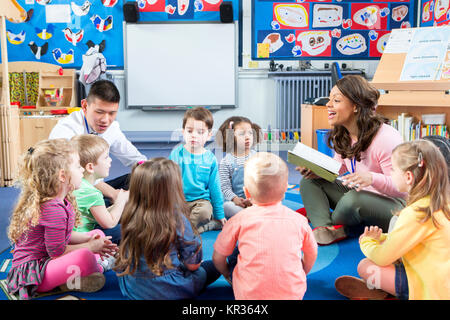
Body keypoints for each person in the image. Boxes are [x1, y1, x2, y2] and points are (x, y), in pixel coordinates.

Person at [297, 75, 406, 245]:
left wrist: (371, 178)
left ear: (355, 106)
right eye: (330, 99)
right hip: (360, 194)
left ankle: (342, 226)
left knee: (352, 200)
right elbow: (339, 169)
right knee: (309, 182)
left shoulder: (386, 138)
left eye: (336, 100)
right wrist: (317, 171)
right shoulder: (345, 133)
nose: (328, 104)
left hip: (394, 206)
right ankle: (325, 229)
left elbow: (403, 189)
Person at [335, 140, 450, 300]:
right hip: (443, 281)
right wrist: (382, 237)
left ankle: (383, 292)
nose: (390, 174)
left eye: (393, 170)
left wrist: (367, 242)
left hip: (427, 288)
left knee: (366, 266)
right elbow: (416, 239)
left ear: (408, 176)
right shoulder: (440, 203)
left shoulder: (415, 213)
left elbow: (382, 257)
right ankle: (380, 289)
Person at [6, 139, 118, 300]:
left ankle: (75, 277)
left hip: (47, 261)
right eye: (78, 166)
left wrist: (88, 238)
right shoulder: (53, 209)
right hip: (34, 274)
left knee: (97, 233)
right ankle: (98, 266)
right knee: (84, 255)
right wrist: (90, 247)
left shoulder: (61, 200)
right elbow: (57, 252)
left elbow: (64, 237)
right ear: (63, 175)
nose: (81, 171)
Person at [213, 152, 317, 299]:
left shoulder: (238, 220)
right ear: (286, 188)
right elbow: (312, 252)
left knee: (236, 251)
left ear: (246, 191)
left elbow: (218, 258)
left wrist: (228, 275)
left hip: (248, 295)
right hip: (293, 294)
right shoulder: (299, 220)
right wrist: (302, 272)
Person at [114, 158, 221, 299]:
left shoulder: (129, 213)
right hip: (169, 289)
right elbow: (192, 265)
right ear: (172, 188)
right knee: (214, 265)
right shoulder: (177, 218)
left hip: (133, 289)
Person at [49, 79, 146, 205]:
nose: (106, 120)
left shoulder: (112, 128)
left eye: (112, 113)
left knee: (141, 178)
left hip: (96, 187)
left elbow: (135, 159)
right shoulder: (66, 131)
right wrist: (113, 194)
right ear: (84, 106)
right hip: (72, 192)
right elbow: (69, 177)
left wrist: (153, 171)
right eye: (99, 112)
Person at [169, 107, 225, 233]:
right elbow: (168, 182)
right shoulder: (176, 154)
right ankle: (202, 228)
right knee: (165, 215)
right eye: (190, 131)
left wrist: (220, 215)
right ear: (183, 132)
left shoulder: (210, 159)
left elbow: (215, 188)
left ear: (209, 135)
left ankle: (181, 231)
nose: (194, 135)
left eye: (200, 132)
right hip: (178, 201)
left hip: (200, 202)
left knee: (204, 212)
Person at [71, 134, 129, 245]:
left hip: (76, 234)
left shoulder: (81, 185)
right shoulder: (91, 193)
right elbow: (109, 223)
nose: (110, 160)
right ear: (90, 167)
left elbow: (100, 215)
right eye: (106, 157)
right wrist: (121, 200)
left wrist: (118, 206)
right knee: (129, 229)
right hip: (83, 239)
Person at [216, 116, 262, 219]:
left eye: (250, 133)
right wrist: (235, 199)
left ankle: (253, 214)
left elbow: (264, 181)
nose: (247, 137)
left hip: (258, 199)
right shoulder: (226, 162)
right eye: (242, 134)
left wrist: (255, 199)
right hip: (239, 204)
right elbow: (225, 187)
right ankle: (252, 215)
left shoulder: (258, 157)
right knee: (226, 207)